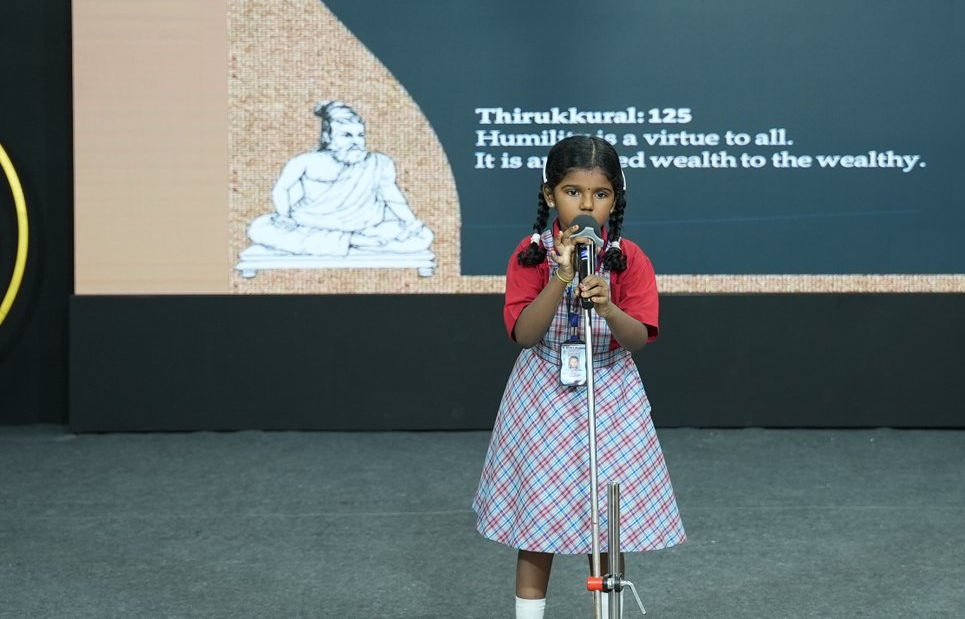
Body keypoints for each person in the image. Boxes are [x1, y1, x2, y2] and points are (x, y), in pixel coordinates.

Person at [473, 136, 685, 619]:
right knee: (537, 524)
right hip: (543, 393)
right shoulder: (530, 256)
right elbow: (525, 334)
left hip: (611, 394)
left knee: (607, 524)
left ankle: (607, 611)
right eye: (572, 192)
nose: (586, 204)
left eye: (601, 194)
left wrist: (608, 305)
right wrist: (561, 278)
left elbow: (637, 339)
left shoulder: (629, 259)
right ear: (550, 195)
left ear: (616, 198)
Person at [246, 101, 434, 257]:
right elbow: (281, 189)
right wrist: (284, 216)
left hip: (364, 225)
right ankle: (352, 242)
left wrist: (411, 223)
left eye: (360, 135)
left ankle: (345, 241)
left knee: (424, 235)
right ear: (328, 137)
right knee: (259, 228)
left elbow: (392, 196)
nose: (356, 142)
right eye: (346, 135)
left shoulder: (379, 162)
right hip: (312, 223)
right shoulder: (305, 162)